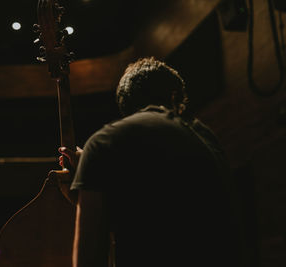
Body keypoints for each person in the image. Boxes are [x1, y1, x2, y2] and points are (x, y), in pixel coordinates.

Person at [59, 57, 243, 267]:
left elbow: (89, 259)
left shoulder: (104, 142)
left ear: (124, 103)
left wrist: (88, 175)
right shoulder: (207, 138)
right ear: (174, 97)